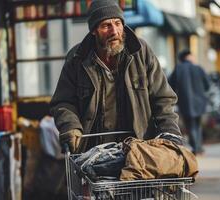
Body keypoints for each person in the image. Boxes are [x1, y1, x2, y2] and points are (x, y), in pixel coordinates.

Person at [50, 0, 181, 153]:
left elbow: (163, 97)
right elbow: (63, 101)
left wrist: (169, 130)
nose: (114, 31)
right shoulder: (77, 58)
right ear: (94, 30)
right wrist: (70, 126)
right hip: (93, 150)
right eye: (106, 26)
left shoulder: (141, 51)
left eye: (118, 23)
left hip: (139, 148)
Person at [169, 49, 210, 154]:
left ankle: (196, 147)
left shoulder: (178, 69)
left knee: (190, 125)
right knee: (198, 125)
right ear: (189, 56)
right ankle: (198, 147)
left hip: (185, 102)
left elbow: (169, 84)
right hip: (200, 102)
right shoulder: (198, 68)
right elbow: (207, 85)